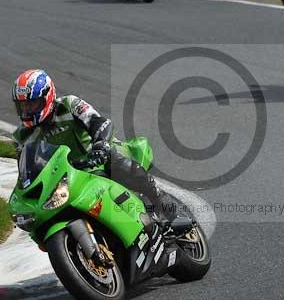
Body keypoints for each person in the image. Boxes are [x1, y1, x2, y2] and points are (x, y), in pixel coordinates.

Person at [11, 69, 172, 232]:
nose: (26, 110)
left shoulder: (69, 104)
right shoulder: (21, 137)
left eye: (31, 104)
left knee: (116, 162)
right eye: (22, 105)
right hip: (68, 177)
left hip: (97, 157)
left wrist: (101, 145)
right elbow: (27, 171)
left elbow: (100, 122)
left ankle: (163, 203)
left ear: (47, 96)